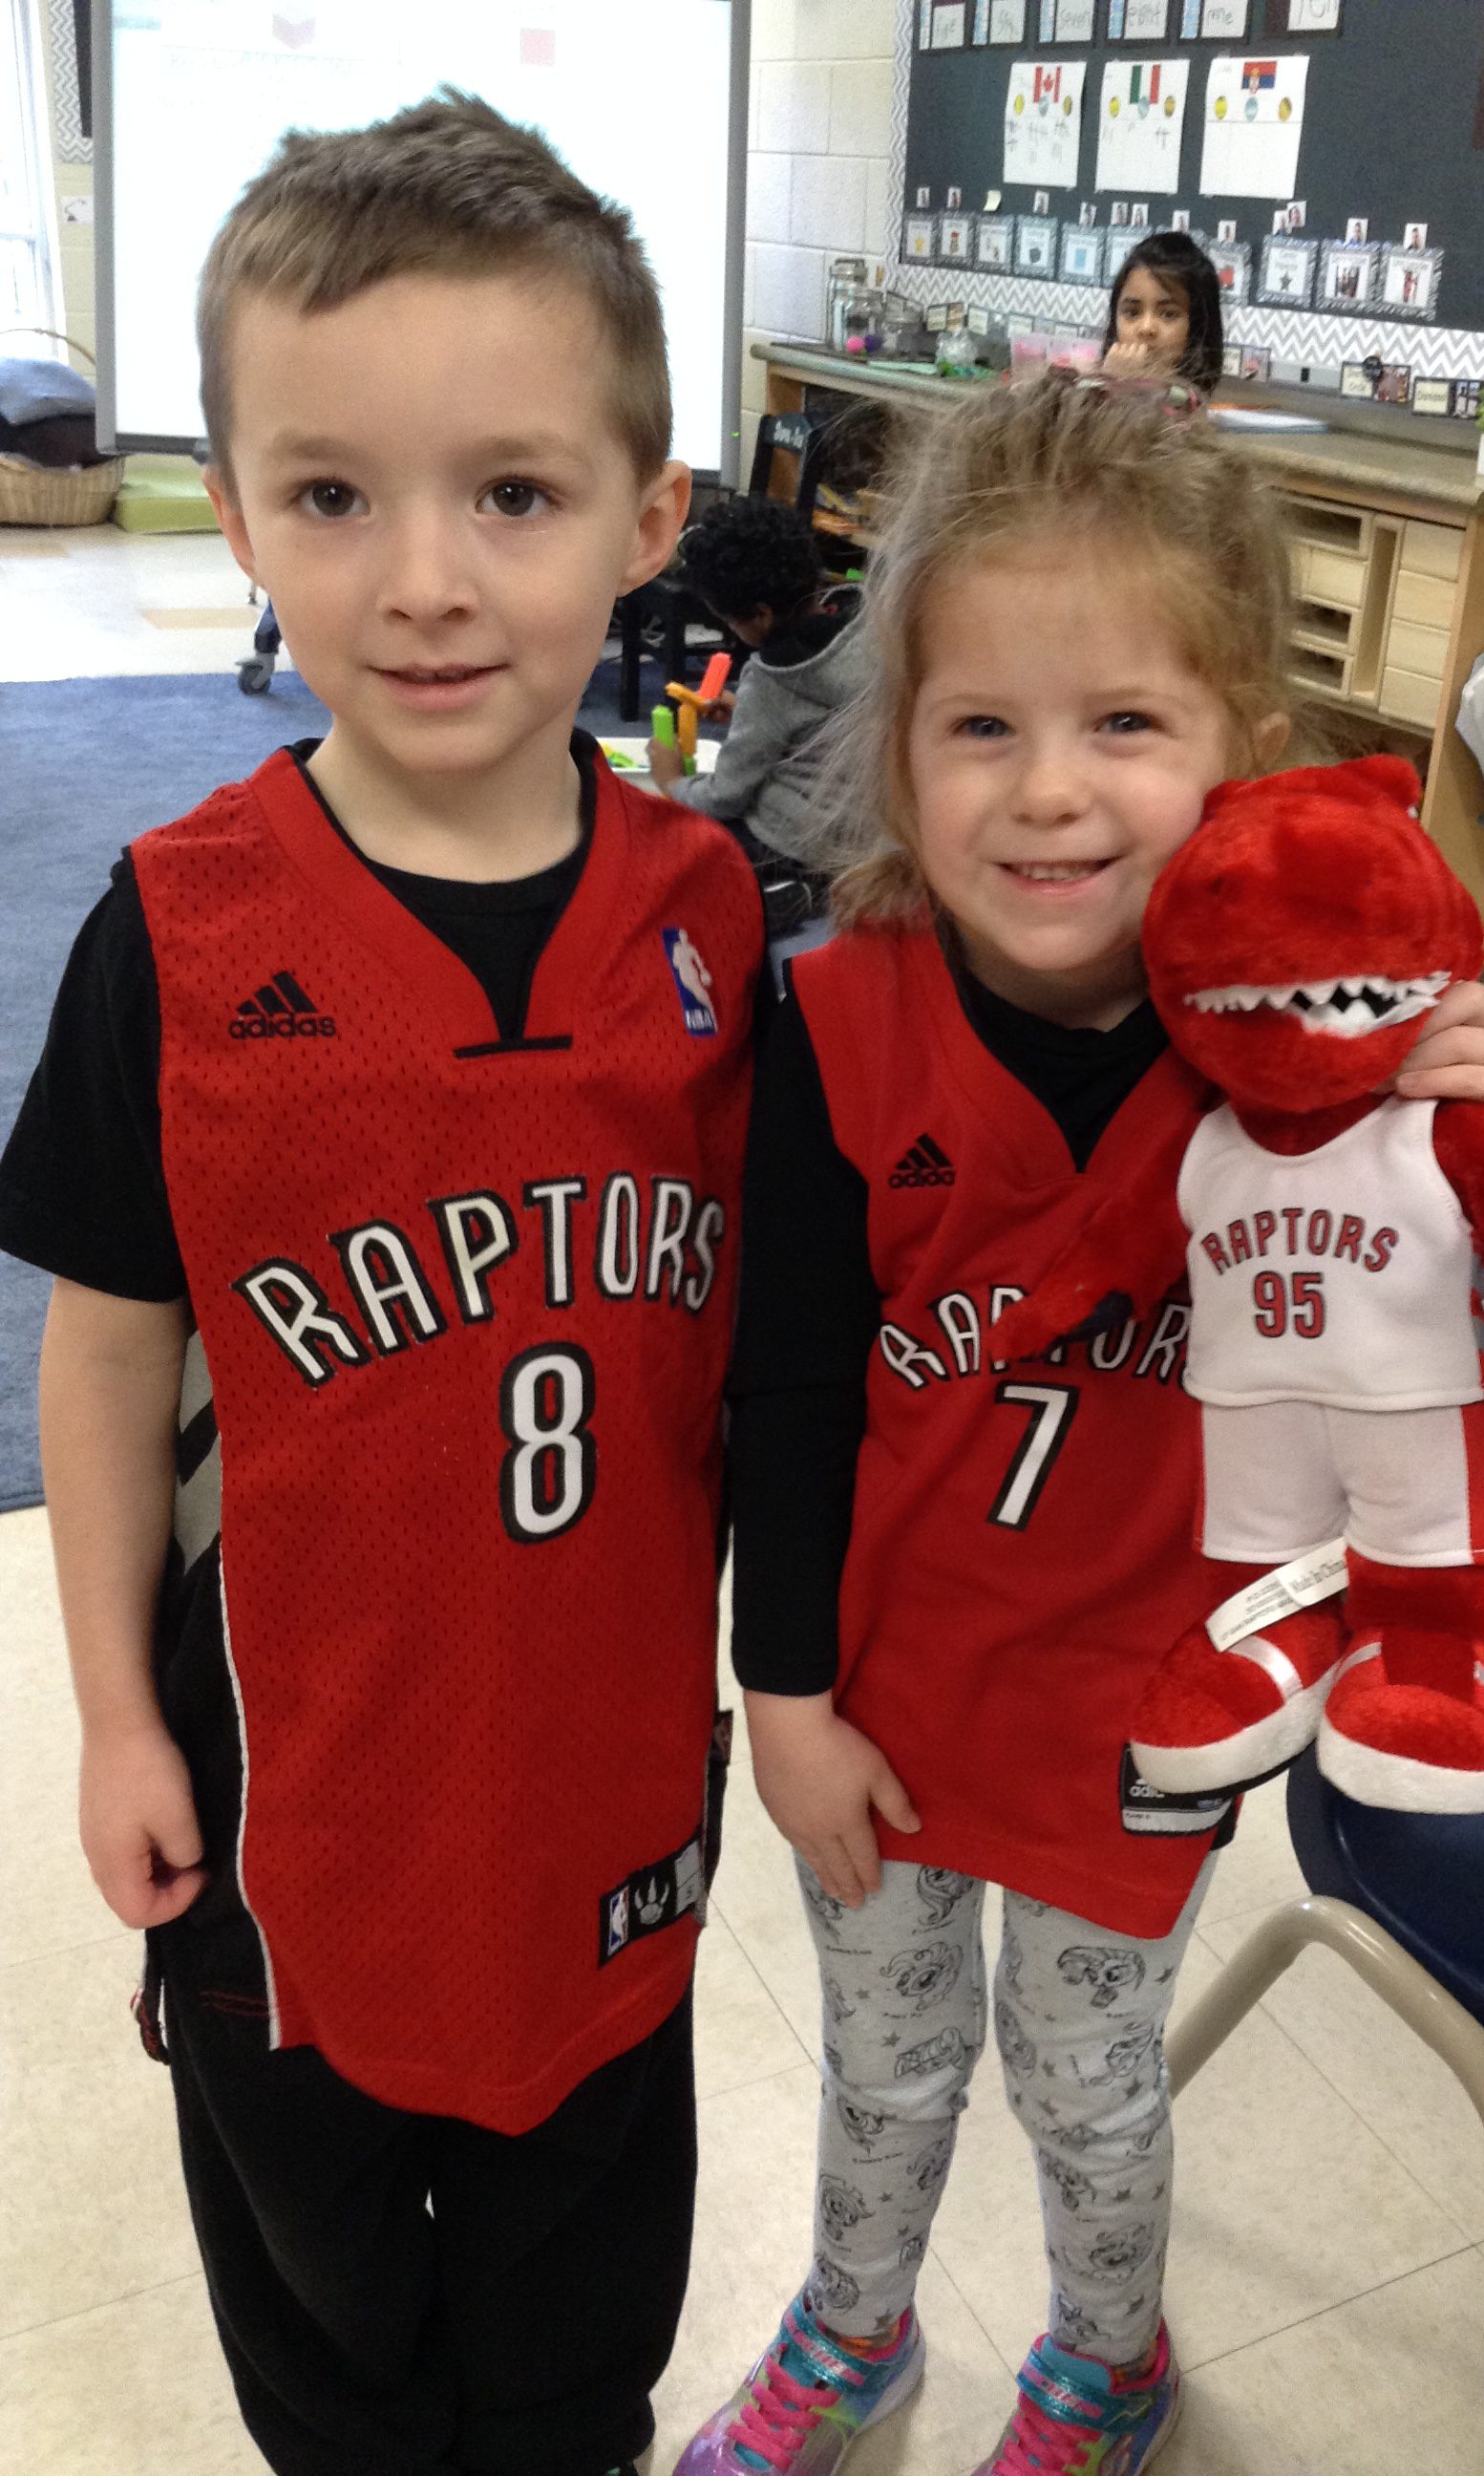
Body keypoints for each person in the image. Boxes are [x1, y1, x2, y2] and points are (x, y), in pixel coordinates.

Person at [0, 94, 762, 2476]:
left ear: (649, 525)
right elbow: (113, 1353)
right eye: (331, 495)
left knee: (570, 2370)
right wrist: (116, 1718)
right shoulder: (178, 933)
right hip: (283, 1833)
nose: (423, 579)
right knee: (337, 2378)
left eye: (511, 495)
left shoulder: (723, 929)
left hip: (613, 1812)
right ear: (228, 515)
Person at [677, 376, 1484, 2475]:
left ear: (1244, 745)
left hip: (1136, 1722)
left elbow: (1397, 1380)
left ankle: (1102, 2361)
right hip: (873, 1698)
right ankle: (853, 2332)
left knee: (1085, 2082)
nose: (1045, 794)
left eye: (1122, 725)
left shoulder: (1321, 1069)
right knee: (882, 2082)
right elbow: (781, 1396)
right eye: (980, 726)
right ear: (897, 747)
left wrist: (1462, 1164)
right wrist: (778, 1695)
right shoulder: (832, 1020)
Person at [646, 493, 869, 899]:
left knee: (669, 851)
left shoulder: (772, 682)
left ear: (761, 614)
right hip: (863, 833)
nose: (733, 632)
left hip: (793, 843)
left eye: (730, 621)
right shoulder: (867, 624)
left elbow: (725, 797)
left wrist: (673, 781)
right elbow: (822, 724)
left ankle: (781, 895)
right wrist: (745, 713)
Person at [1101, 231, 1224, 395]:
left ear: (1197, 325)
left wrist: (1117, 387)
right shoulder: (1097, 386)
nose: (1146, 328)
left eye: (1168, 314)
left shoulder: (1185, 403)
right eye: (1132, 313)